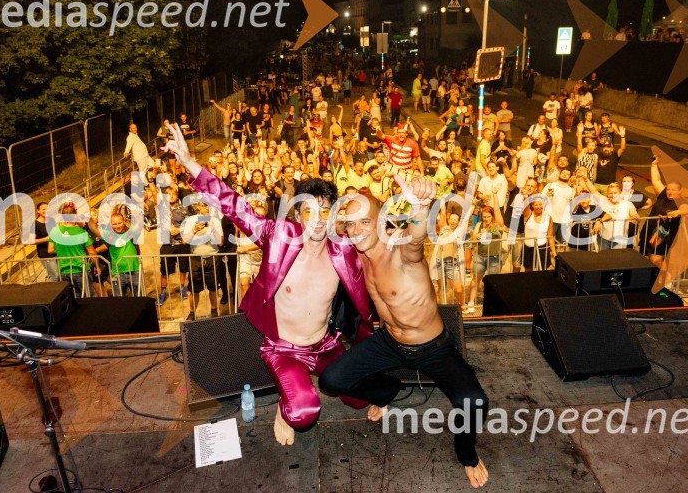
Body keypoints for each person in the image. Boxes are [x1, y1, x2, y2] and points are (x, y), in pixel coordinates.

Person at [162, 122, 374, 446]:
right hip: (284, 349)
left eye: (325, 212)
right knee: (304, 413)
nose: (317, 220)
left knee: (361, 397)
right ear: (298, 215)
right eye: (309, 212)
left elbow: (388, 253)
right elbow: (234, 206)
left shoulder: (345, 252)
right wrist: (190, 162)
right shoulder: (278, 238)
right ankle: (286, 405)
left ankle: (318, 386)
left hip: (326, 345)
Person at [320, 177, 490, 489]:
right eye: (350, 224)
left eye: (364, 222)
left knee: (475, 402)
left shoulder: (399, 248)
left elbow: (416, 238)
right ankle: (387, 391)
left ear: (381, 221)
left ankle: (467, 454)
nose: (356, 230)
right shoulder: (357, 251)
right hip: (388, 341)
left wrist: (420, 206)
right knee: (332, 380)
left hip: (432, 347)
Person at [639, 155, 688, 269]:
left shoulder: (681, 200)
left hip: (664, 235)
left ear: (680, 191)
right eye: (668, 189)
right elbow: (656, 180)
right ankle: (655, 280)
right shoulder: (662, 195)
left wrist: (677, 212)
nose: (670, 192)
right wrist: (654, 165)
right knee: (650, 258)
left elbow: (686, 209)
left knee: (656, 260)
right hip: (650, 231)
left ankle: (667, 279)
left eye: (673, 190)